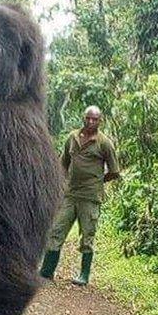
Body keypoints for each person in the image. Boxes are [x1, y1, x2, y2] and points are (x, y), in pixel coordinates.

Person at [40, 105, 120, 285]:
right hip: (70, 195)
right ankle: (46, 271)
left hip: (90, 197)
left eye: (95, 119)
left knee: (87, 236)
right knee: (56, 231)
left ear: (101, 121)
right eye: (88, 118)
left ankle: (83, 275)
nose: (91, 122)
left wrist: (97, 181)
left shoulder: (104, 143)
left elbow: (115, 171)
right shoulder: (72, 137)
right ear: (83, 118)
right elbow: (63, 165)